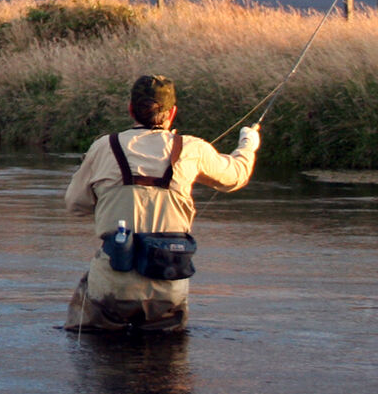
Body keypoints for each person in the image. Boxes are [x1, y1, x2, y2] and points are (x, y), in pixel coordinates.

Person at [63, 74, 260, 333]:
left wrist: (110, 200)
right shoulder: (193, 148)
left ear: (130, 109)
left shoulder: (103, 146)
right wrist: (248, 144)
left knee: (95, 351)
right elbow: (235, 177)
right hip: (169, 284)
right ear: (173, 112)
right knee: (166, 364)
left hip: (112, 281)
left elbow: (75, 205)